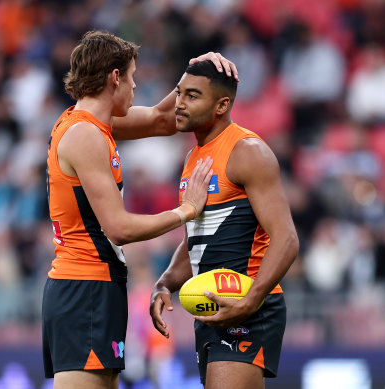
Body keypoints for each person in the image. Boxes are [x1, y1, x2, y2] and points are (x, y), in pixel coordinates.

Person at [43, 30, 238, 389]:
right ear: (115, 78)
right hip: (85, 285)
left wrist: (197, 68)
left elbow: (164, 120)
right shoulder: (85, 135)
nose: (135, 88)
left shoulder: (93, 124)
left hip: (96, 286)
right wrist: (186, 211)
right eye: (132, 78)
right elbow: (118, 228)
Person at [149, 60, 299, 389]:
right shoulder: (193, 158)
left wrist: (251, 299)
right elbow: (199, 239)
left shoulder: (247, 152)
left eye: (192, 96)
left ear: (221, 105)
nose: (179, 103)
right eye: (178, 93)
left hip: (247, 304)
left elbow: (286, 238)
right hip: (214, 306)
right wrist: (164, 283)